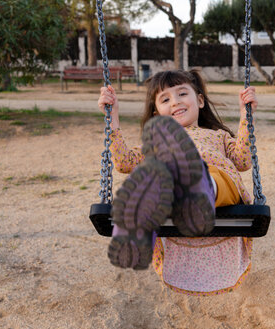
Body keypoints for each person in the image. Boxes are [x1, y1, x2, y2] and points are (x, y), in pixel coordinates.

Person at [97, 69, 258, 296]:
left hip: (219, 184)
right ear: (157, 113)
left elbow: (242, 160)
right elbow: (124, 162)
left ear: (200, 100)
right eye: (165, 99)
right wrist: (111, 118)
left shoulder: (217, 136)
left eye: (182, 94)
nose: (175, 102)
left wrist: (246, 116)